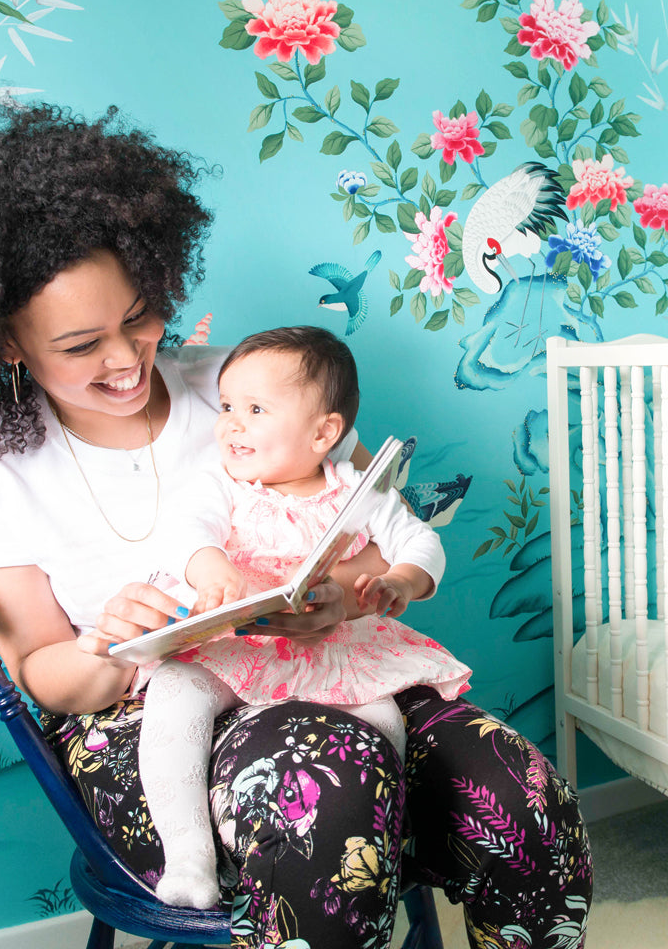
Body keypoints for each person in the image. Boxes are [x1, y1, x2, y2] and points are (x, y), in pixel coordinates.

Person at [0, 103, 592, 949]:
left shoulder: (239, 388)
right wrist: (108, 647)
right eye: (81, 345)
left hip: (327, 666)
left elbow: (367, 538)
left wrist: (339, 599)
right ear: (7, 343)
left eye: (138, 317)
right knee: (326, 786)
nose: (126, 359)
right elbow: (43, 674)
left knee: (521, 793)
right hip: (140, 715)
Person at [135, 325, 472, 909]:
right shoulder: (221, 483)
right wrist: (211, 570)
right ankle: (189, 854)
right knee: (172, 693)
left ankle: (384, 846)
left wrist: (398, 582)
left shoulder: (357, 492)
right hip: (237, 642)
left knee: (382, 725)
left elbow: (421, 543)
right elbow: (186, 533)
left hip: (328, 648)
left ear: (325, 432)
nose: (232, 423)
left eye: (256, 409)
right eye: (227, 407)